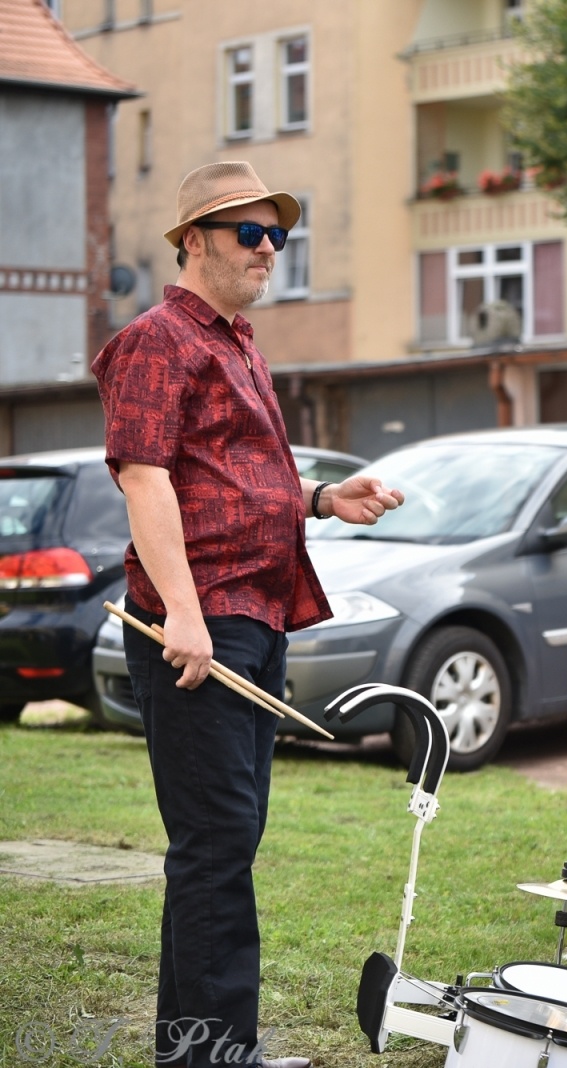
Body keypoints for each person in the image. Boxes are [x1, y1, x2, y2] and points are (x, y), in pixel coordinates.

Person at [91, 162, 403, 1068]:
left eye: (278, 235)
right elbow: (145, 479)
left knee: (217, 846)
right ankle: (222, 1055)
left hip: (254, 616)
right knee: (217, 843)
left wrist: (320, 497)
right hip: (200, 624)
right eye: (249, 234)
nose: (269, 249)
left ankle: (194, 1053)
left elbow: (230, 481)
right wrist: (182, 612)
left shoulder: (238, 343)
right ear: (193, 240)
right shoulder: (157, 340)